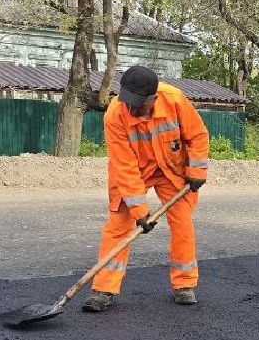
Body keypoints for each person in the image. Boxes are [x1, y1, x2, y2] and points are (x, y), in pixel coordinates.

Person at [82, 65, 210, 312]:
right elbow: (124, 166)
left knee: (182, 222)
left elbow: (197, 135)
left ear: (154, 97)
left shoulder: (174, 99)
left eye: (139, 104)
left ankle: (184, 285)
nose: (132, 108)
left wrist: (196, 172)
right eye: (128, 102)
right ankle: (104, 290)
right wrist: (140, 211)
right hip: (134, 171)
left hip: (170, 170)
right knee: (118, 226)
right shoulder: (114, 115)